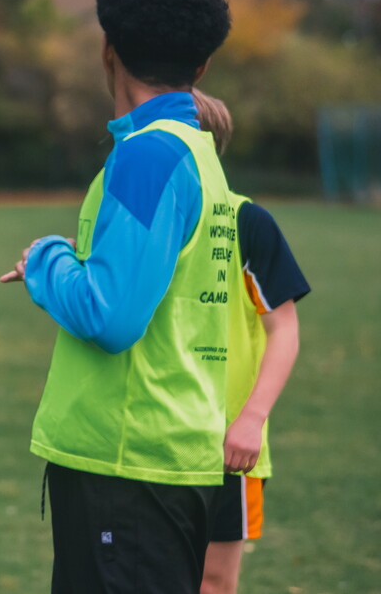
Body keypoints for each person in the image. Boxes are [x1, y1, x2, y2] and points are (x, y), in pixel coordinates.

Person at [1, 0, 236, 593]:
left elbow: (111, 314)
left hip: (125, 465)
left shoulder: (148, 154)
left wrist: (46, 257)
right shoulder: (199, 154)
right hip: (169, 459)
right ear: (202, 64)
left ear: (108, 48)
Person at [192, 90, 310, 594]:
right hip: (151, 438)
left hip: (226, 448)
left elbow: (284, 328)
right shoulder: (137, 223)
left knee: (214, 582)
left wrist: (251, 419)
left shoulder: (246, 222)